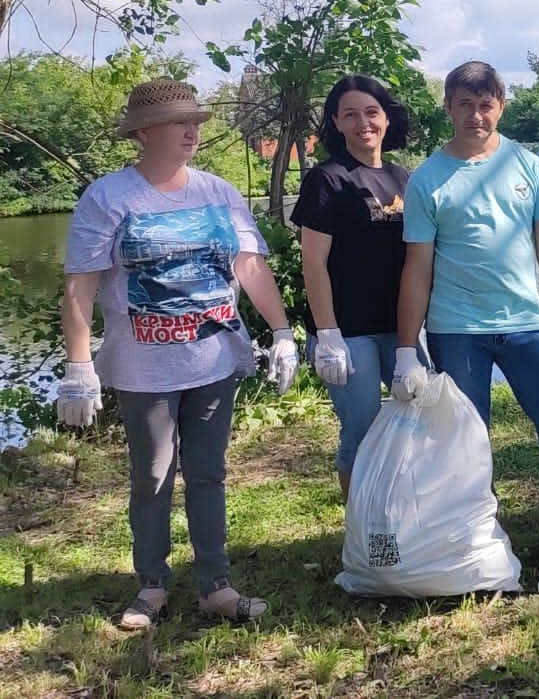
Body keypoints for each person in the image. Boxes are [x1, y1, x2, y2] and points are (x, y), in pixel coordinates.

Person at [57, 79, 298, 628]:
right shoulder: (109, 197)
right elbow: (80, 286)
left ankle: (216, 584)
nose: (192, 131)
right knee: (153, 475)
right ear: (143, 132)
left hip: (214, 360)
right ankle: (152, 586)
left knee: (209, 473)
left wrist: (282, 331)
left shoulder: (219, 192)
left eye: (196, 121)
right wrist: (78, 367)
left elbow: (250, 267)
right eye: (177, 122)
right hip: (144, 368)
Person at [393, 61, 539, 486]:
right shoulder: (427, 180)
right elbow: (417, 271)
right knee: (464, 441)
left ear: (502, 107)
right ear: (449, 108)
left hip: (526, 324)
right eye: (465, 105)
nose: (476, 115)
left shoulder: (529, 167)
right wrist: (405, 350)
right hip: (456, 329)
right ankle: (476, 537)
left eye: (486, 105)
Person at [292, 74, 414, 499]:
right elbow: (313, 260)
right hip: (348, 332)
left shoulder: (404, 178)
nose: (363, 122)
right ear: (336, 123)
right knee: (362, 429)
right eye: (350, 115)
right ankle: (360, 527)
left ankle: (403, 514)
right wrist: (327, 334)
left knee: (417, 416)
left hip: (399, 328)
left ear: (386, 118)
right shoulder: (327, 179)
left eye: (371, 112)